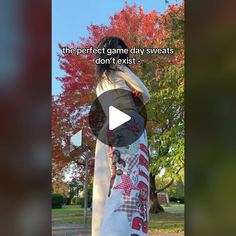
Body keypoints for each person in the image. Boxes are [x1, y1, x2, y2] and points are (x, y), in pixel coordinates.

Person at [92, 36, 150, 236]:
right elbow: (145, 93)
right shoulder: (119, 68)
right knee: (131, 181)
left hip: (109, 126)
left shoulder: (99, 81)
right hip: (128, 122)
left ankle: (106, 230)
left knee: (110, 182)